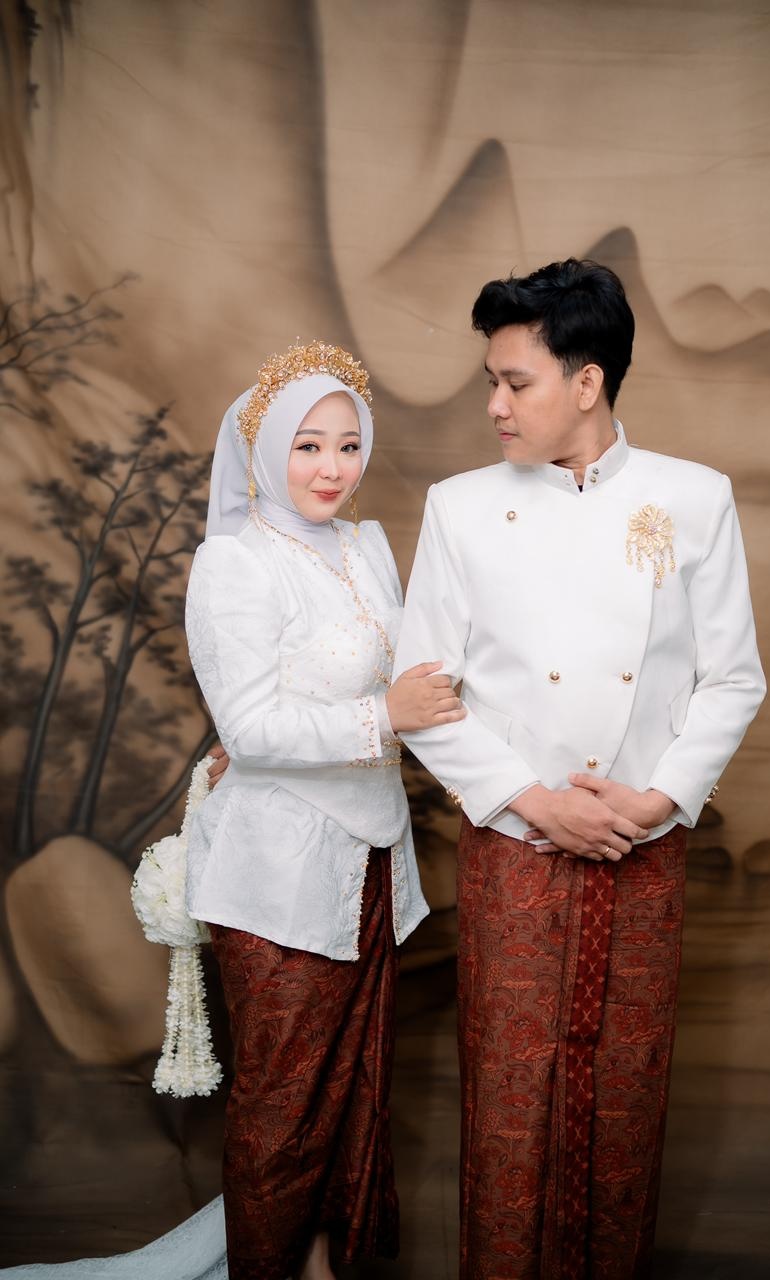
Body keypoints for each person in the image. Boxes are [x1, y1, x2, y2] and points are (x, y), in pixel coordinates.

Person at [393, 259, 766, 1279]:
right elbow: (423, 694)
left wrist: (657, 799)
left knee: (624, 1102)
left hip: (643, 848)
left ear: (588, 381)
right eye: (492, 381)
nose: (494, 404)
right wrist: (534, 802)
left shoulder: (694, 497)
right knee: (510, 1102)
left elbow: (733, 679)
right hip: (515, 850)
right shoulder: (461, 507)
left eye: (516, 382)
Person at [183, 340, 464, 1280]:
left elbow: (419, 676)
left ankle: (327, 1267)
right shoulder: (234, 564)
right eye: (307, 447)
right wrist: (385, 716)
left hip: (374, 858)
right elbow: (250, 726)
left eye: (348, 446)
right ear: (264, 452)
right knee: (285, 1104)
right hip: (277, 871)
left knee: (357, 1090)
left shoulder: (365, 544)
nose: (331, 469)